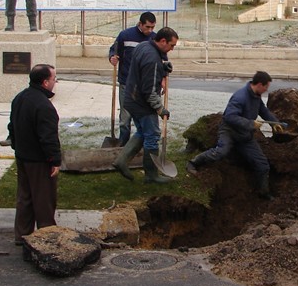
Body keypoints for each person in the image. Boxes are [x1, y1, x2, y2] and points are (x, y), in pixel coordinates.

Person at [186, 71, 283, 200]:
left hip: (244, 135)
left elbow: (263, 110)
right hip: (229, 131)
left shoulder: (256, 96)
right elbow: (229, 116)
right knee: (221, 151)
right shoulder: (240, 97)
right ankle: (193, 163)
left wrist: (274, 123)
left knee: (262, 164)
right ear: (260, 84)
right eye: (266, 87)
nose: (266, 90)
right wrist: (250, 124)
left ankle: (263, 192)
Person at [114, 27, 178, 184]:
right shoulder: (152, 60)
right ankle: (151, 175)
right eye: (171, 45)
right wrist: (160, 108)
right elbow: (149, 91)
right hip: (141, 102)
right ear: (163, 41)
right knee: (152, 135)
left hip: (131, 98)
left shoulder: (144, 45)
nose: (172, 49)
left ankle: (121, 161)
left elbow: (144, 71)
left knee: (142, 132)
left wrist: (163, 68)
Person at [8, 64, 62, 245]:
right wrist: (54, 160)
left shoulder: (20, 98)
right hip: (39, 161)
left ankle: (22, 236)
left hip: (22, 156)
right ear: (45, 82)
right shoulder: (44, 106)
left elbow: (11, 127)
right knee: (44, 201)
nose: (55, 82)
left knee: (25, 198)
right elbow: (48, 138)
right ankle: (47, 237)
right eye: (54, 79)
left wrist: (17, 148)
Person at [108, 12, 157, 145]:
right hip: (126, 83)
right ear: (140, 24)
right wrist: (113, 57)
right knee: (125, 118)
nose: (150, 30)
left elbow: (161, 60)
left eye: (153, 27)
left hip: (144, 86)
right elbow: (114, 50)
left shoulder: (154, 39)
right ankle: (123, 144)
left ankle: (141, 146)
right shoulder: (125, 35)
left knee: (143, 118)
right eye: (147, 27)